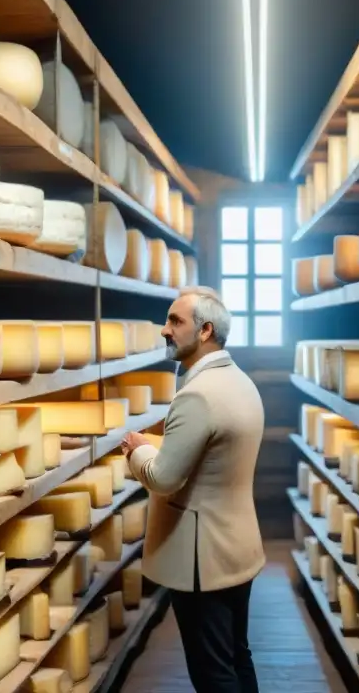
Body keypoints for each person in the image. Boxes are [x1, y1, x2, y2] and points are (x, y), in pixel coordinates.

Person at [121, 286, 265, 692]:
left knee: (212, 672)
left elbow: (164, 478)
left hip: (205, 557)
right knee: (236, 655)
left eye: (175, 321)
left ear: (205, 331)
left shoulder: (198, 396)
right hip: (237, 545)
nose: (165, 330)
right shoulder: (239, 381)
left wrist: (138, 451)